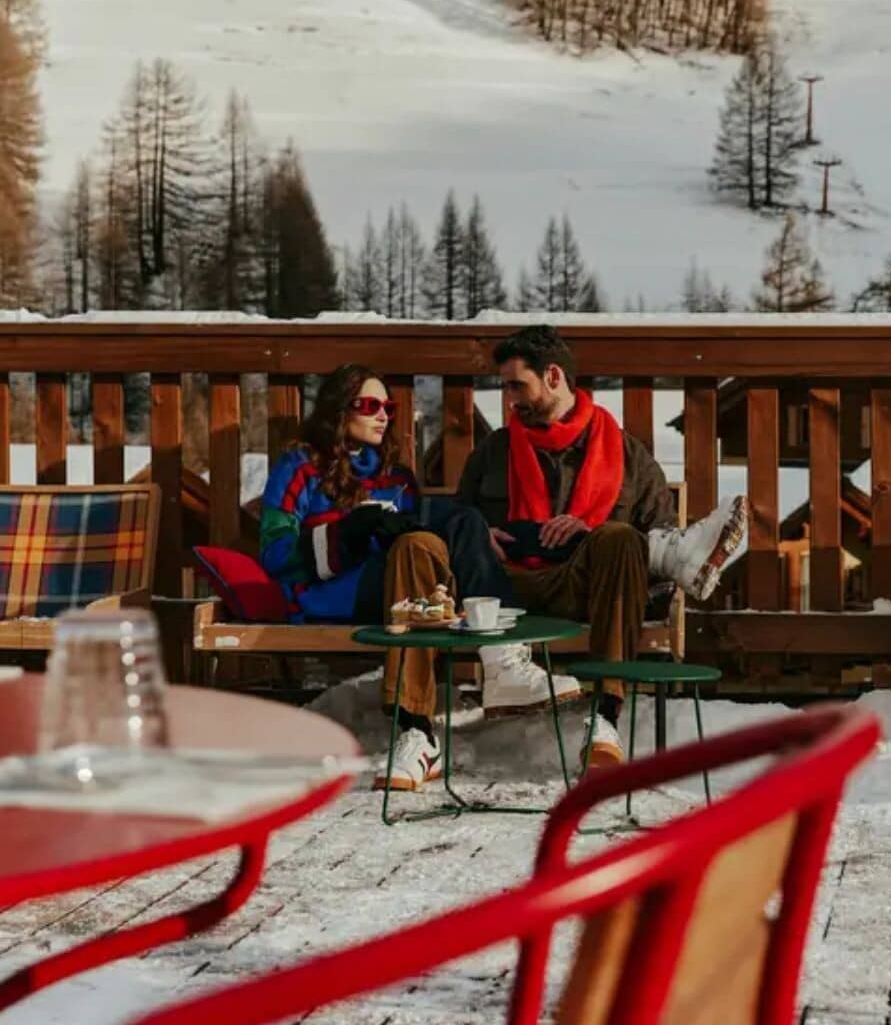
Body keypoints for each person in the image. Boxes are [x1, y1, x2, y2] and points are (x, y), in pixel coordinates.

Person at [260, 364, 580, 793]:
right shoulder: (299, 467)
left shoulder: (395, 474)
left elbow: (419, 547)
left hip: (400, 593)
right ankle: (500, 661)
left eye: (387, 406)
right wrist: (348, 533)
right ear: (338, 411)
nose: (382, 415)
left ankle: (420, 732)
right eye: (369, 405)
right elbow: (275, 553)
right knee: (454, 525)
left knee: (429, 542)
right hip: (327, 593)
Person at [455, 324, 748, 769]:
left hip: (590, 592)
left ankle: (605, 715)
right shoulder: (494, 452)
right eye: (505, 387)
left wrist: (591, 535)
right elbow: (457, 518)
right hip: (508, 591)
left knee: (618, 537)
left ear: (553, 376)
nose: (509, 399)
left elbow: (655, 536)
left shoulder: (629, 457)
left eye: (518, 385)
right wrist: (478, 533)